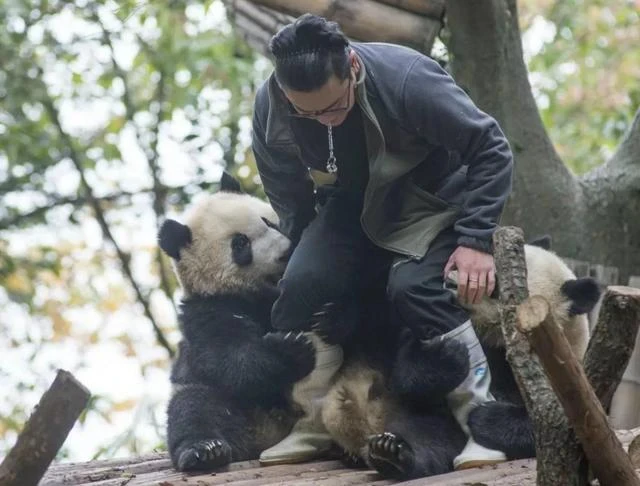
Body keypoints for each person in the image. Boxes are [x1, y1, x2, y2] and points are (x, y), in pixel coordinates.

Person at [251, 13, 514, 470]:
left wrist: (475, 239)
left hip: (433, 199)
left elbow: (491, 148)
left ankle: (481, 422)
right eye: (305, 112)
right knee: (302, 285)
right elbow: (287, 189)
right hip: (351, 205)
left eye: (332, 109)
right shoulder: (272, 103)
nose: (321, 121)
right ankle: (315, 421)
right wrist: (309, 249)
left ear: (352, 66)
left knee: (416, 287)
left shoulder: (409, 80)